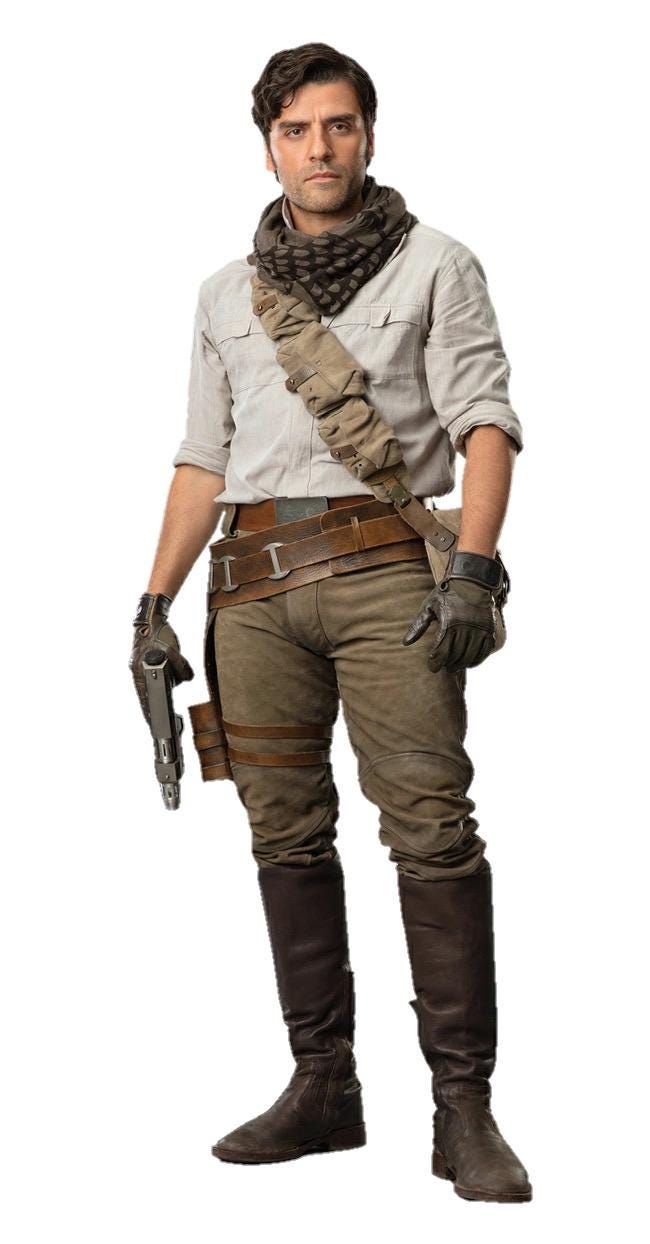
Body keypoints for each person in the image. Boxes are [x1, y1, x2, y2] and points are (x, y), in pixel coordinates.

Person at [130, 42, 532, 1203]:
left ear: (368, 134)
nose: (320, 147)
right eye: (297, 130)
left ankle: (462, 1107)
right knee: (283, 832)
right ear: (267, 145)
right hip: (250, 590)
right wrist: (151, 603)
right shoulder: (224, 293)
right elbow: (202, 459)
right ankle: (323, 1085)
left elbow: (483, 422)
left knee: (431, 826)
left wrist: (471, 567)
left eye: (339, 125)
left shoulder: (436, 262)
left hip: (386, 579)